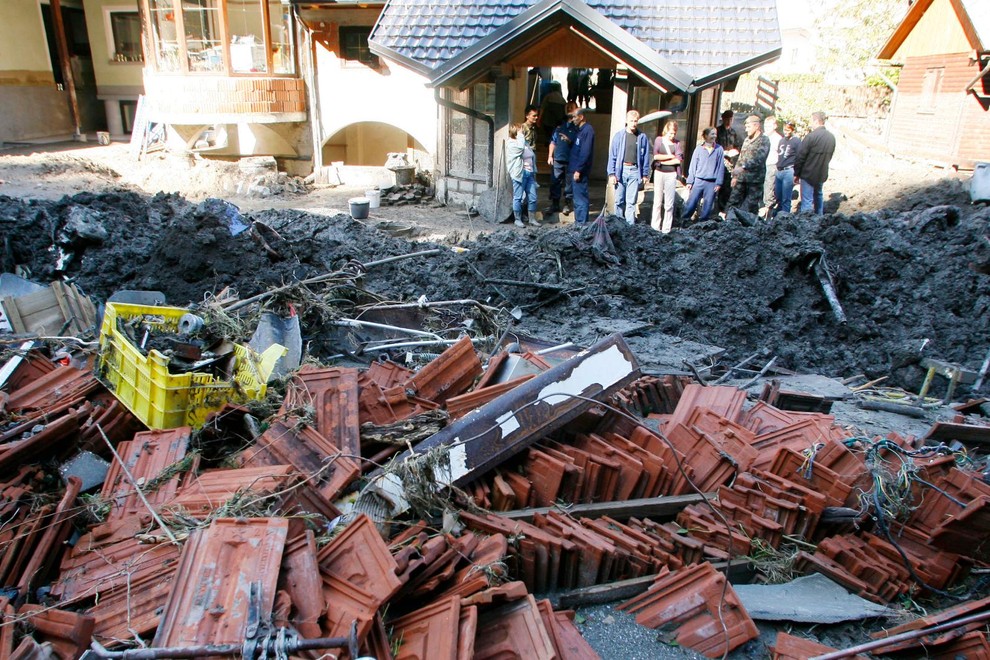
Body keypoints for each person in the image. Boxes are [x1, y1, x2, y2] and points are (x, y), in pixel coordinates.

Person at [607, 110, 651, 225]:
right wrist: (611, 174)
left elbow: (646, 157)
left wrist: (645, 174)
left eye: (635, 121)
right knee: (619, 201)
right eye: (631, 121)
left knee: (631, 202)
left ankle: (630, 229)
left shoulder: (642, 137)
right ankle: (618, 226)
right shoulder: (619, 136)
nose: (633, 123)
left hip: (635, 171)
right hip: (621, 170)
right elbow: (612, 156)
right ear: (626, 121)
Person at [794, 111, 836, 214]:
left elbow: (801, 156)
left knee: (807, 201)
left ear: (816, 121)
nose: (811, 124)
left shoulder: (811, 137)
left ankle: (807, 222)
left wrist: (796, 173)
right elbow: (830, 155)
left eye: (812, 121)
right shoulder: (831, 137)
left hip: (808, 173)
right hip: (821, 173)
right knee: (818, 196)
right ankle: (819, 219)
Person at [727, 114, 770, 214]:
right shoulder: (747, 140)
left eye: (748, 127)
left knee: (750, 207)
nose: (746, 130)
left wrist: (743, 167)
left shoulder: (764, 140)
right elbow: (741, 158)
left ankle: (749, 227)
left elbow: (759, 158)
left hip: (755, 180)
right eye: (746, 127)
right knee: (732, 202)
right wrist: (735, 176)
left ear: (757, 126)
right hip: (742, 179)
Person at [681, 127, 724, 222]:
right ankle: (684, 222)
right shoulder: (699, 149)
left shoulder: (719, 149)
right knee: (691, 202)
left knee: (708, 205)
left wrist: (718, 182)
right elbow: (693, 166)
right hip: (699, 180)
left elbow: (720, 167)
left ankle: (702, 225)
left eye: (715, 134)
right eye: (712, 134)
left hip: (711, 182)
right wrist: (690, 182)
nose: (714, 136)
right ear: (705, 136)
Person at [650, 119, 684, 233]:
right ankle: (655, 227)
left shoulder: (677, 143)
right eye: (670, 133)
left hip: (671, 174)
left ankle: (666, 229)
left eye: (674, 133)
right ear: (666, 131)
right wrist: (670, 157)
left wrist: (664, 159)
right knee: (657, 201)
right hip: (659, 173)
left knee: (669, 203)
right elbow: (656, 156)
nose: (672, 135)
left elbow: (678, 160)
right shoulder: (659, 140)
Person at [506, 123, 541, 228]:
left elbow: (531, 156)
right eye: (521, 130)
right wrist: (520, 135)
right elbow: (520, 149)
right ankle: (517, 219)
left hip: (529, 173)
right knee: (518, 197)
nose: (524, 132)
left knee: (533, 197)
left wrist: (533, 171)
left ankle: (532, 219)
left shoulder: (524, 142)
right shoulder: (511, 143)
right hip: (519, 174)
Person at [546, 101, 578, 215]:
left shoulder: (578, 127)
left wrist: (569, 141)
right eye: (567, 107)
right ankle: (555, 204)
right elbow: (553, 142)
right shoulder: (560, 126)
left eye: (572, 107)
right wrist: (550, 156)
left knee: (569, 183)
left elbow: (581, 144)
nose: (569, 109)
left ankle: (567, 204)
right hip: (558, 159)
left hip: (571, 160)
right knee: (555, 182)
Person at [568, 107, 595, 225]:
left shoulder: (588, 130)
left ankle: (582, 224)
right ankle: (578, 222)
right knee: (576, 199)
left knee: (581, 198)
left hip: (580, 171)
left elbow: (585, 152)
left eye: (574, 117)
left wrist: (579, 170)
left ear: (581, 117)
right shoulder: (579, 130)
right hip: (574, 169)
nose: (573, 119)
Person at [772, 120, 801, 217]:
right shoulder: (782, 140)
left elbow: (799, 157)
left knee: (786, 198)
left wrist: (797, 174)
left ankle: (784, 218)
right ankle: (778, 216)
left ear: (792, 130)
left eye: (788, 130)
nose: (786, 132)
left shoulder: (796, 141)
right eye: (784, 129)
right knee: (778, 196)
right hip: (779, 170)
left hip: (789, 171)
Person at [715, 110, 740, 213]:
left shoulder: (733, 133)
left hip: (730, 163)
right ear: (723, 119)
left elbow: (738, 147)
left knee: (728, 188)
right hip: (719, 162)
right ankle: (717, 209)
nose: (728, 121)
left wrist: (735, 151)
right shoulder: (717, 131)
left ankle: (724, 210)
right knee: (718, 187)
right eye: (727, 119)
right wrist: (724, 152)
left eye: (730, 119)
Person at [762, 115, 781, 213]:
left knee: (769, 187)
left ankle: (768, 209)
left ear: (774, 126)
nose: (767, 128)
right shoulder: (762, 136)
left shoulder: (778, 139)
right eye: (765, 126)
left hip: (771, 165)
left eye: (769, 126)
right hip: (761, 165)